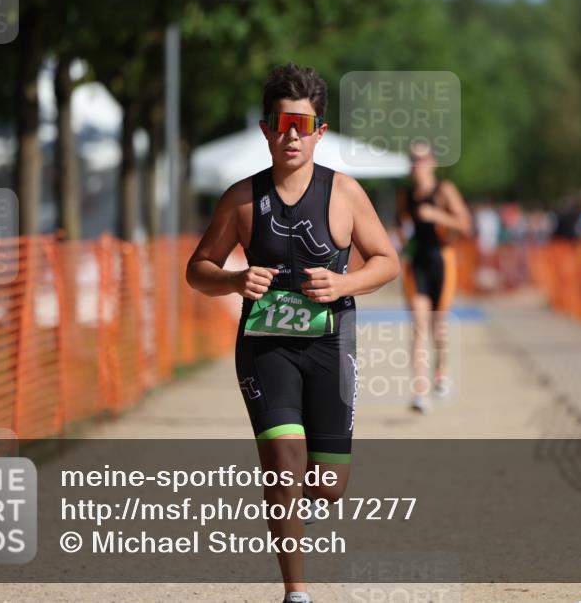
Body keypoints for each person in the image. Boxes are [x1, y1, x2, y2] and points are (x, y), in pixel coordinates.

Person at [185, 64, 400, 603]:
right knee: (284, 464)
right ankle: (296, 593)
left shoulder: (345, 193)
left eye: (302, 125)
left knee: (326, 487)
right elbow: (197, 269)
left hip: (331, 345)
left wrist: (343, 282)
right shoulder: (240, 199)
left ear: (319, 132)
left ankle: (298, 509)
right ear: (265, 128)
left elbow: (388, 261)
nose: (291, 136)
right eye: (282, 124)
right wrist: (236, 278)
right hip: (266, 347)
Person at [395, 141, 472, 413]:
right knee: (418, 326)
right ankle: (419, 391)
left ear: (433, 162)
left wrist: (438, 215)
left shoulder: (444, 191)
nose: (418, 163)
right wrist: (402, 242)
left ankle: (441, 371)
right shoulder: (405, 195)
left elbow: (465, 225)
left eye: (422, 158)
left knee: (438, 326)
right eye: (413, 158)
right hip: (416, 264)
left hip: (442, 260)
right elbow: (401, 226)